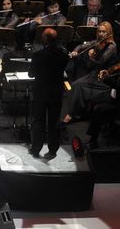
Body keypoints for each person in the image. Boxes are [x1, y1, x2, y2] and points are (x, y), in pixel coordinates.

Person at [63, 21, 118, 123]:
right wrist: (75, 51)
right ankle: (76, 112)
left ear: (108, 33)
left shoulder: (112, 46)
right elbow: (81, 46)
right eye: (99, 31)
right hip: (95, 73)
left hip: (104, 77)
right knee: (75, 85)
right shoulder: (98, 42)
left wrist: (91, 57)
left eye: (104, 32)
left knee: (79, 86)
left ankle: (72, 114)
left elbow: (101, 62)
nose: (101, 34)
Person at [28, 28, 69, 159]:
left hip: (40, 92)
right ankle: (53, 150)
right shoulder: (63, 54)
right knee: (54, 122)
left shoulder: (38, 55)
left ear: (45, 39)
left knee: (38, 121)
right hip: (56, 92)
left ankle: (36, 148)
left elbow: (31, 74)